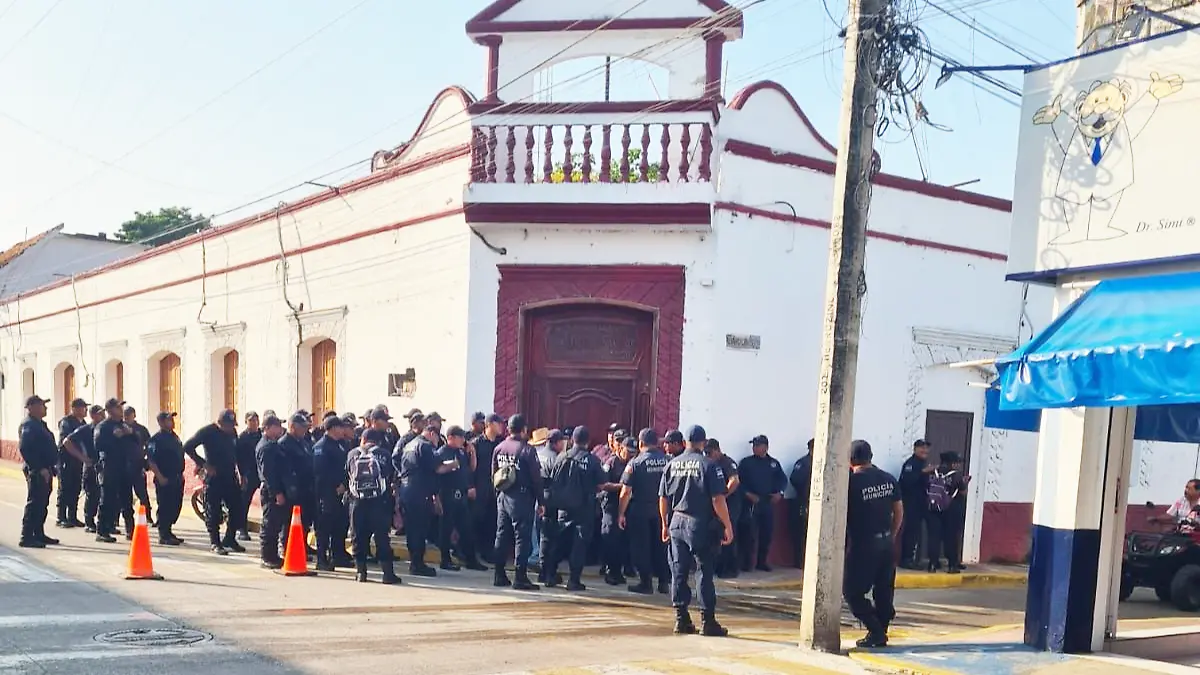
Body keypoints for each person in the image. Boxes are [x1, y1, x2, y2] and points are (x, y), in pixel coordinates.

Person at [658, 425, 733, 636]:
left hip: (677, 521)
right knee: (703, 572)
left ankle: (681, 619)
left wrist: (664, 524)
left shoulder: (671, 464)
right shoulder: (709, 465)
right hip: (700, 524)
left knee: (678, 572)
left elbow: (663, 498)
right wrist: (727, 525)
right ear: (704, 442)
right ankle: (708, 621)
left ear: (685, 443)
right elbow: (717, 499)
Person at [844, 439, 903, 649]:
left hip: (864, 545)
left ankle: (876, 631)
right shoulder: (888, 478)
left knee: (852, 592)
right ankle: (881, 631)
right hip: (887, 543)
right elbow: (899, 510)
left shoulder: (850, 483)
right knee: (884, 590)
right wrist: (891, 535)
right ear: (871, 457)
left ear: (850, 460)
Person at [543, 426, 605, 591]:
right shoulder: (592, 460)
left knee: (559, 542)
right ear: (588, 442)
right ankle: (573, 580)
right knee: (579, 545)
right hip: (584, 508)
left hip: (563, 507)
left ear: (572, 440)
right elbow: (601, 484)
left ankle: (550, 575)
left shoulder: (562, 456)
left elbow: (553, 479)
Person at [397, 418, 456, 577]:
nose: (437, 443)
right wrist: (453, 465)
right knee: (420, 528)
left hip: (406, 490)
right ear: (431, 434)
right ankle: (418, 564)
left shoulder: (409, 445)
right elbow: (438, 468)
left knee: (412, 529)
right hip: (419, 492)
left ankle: (415, 562)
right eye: (437, 438)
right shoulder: (425, 446)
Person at [491, 413, 543, 590]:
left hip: (503, 496)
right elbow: (536, 479)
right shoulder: (527, 450)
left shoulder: (499, 448)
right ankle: (520, 577)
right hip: (521, 498)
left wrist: (497, 496)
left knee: (502, 535)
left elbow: (494, 475)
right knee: (522, 538)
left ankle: (499, 574)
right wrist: (541, 501)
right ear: (524, 430)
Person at [183, 409, 244, 555]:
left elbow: (236, 453)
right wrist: (203, 464)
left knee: (237, 508)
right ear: (220, 423)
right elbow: (188, 446)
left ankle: (230, 538)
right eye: (228, 425)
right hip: (214, 476)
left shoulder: (232, 433)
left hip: (230, 475)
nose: (231, 428)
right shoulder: (207, 432)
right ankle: (215, 542)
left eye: (232, 425)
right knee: (213, 510)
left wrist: (241, 472)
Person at [620, 428, 671, 594]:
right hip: (663, 510)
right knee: (661, 547)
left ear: (640, 443)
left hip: (640, 511)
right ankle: (664, 582)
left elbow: (625, 492)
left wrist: (621, 513)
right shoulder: (668, 461)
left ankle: (645, 583)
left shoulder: (635, 463)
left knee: (641, 547)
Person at [346, 429, 401, 584]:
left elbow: (348, 475)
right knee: (382, 537)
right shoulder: (384, 454)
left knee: (358, 536)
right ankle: (388, 574)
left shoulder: (352, 454)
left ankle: (361, 573)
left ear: (363, 439)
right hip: (379, 501)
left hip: (357, 502)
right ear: (378, 441)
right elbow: (390, 476)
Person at [436, 426, 487, 571]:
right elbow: (437, 473)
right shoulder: (442, 452)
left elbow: (471, 469)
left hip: (461, 495)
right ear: (451, 437)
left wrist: (472, 453)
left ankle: (471, 560)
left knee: (466, 529)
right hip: (447, 495)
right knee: (446, 530)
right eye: (460, 437)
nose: (463, 440)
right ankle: (445, 560)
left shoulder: (461, 452)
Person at [737, 435, 787, 572]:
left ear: (765, 447)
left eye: (757, 445)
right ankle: (747, 564)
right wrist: (747, 494)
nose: (754, 448)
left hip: (767, 503)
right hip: (751, 503)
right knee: (749, 535)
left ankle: (762, 562)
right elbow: (738, 482)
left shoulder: (773, 463)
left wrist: (780, 493)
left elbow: (782, 480)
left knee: (766, 534)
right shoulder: (746, 463)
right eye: (753, 445)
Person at [18, 395, 58, 548]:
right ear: (31, 408)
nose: (45, 408)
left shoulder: (39, 424)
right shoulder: (29, 425)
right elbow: (25, 448)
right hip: (37, 470)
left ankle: (38, 533)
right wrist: (39, 468)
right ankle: (26, 536)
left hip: (45, 469)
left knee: (42, 503)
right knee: (35, 503)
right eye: (42, 405)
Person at [313, 416, 352, 571]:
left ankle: (338, 556)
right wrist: (335, 486)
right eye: (341, 427)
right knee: (324, 528)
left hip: (340, 493)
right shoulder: (321, 447)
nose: (343, 430)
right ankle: (322, 559)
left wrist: (344, 484)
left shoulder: (340, 445)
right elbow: (320, 472)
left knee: (339, 526)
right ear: (333, 428)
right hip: (326, 493)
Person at [94, 398, 133, 543]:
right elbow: (98, 445)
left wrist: (130, 433)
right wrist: (114, 437)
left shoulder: (123, 425)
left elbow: (136, 441)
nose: (121, 410)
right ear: (110, 410)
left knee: (127, 500)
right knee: (107, 500)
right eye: (118, 407)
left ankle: (131, 530)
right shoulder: (103, 426)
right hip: (109, 466)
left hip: (124, 466)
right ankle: (102, 531)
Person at [925, 451, 970, 573]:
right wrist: (965, 483)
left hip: (933, 508)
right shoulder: (956, 475)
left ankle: (932, 564)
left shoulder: (932, 472)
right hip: (951, 509)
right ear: (953, 463)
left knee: (934, 536)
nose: (959, 465)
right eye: (957, 462)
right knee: (951, 537)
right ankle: (952, 565)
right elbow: (963, 492)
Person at [256, 414, 291, 568]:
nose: (280, 429)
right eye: (277, 426)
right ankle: (267, 557)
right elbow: (268, 473)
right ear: (268, 428)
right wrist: (276, 493)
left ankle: (273, 555)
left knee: (275, 524)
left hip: (276, 488)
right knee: (269, 524)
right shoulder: (266, 447)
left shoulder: (273, 444)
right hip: (271, 491)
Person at [704, 439, 741, 579]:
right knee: (716, 537)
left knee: (728, 537)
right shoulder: (710, 463)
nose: (707, 455)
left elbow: (735, 481)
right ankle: (719, 567)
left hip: (730, 505)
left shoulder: (727, 462)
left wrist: (723, 495)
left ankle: (730, 569)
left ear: (717, 450)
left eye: (709, 452)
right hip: (717, 506)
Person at [279, 413, 316, 555]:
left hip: (306, 488)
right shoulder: (284, 444)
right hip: (293, 489)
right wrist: (289, 488)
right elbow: (285, 469)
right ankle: (286, 547)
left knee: (305, 520)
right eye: (302, 427)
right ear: (293, 426)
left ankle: (302, 545)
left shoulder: (303, 442)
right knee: (290, 521)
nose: (305, 430)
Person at [146, 412, 186, 545]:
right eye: (169, 420)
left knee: (175, 505)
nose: (172, 422)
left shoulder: (174, 437)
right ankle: (163, 534)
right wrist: (160, 476)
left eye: (172, 419)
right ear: (161, 422)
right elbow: (151, 460)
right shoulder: (156, 439)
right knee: (165, 506)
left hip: (177, 477)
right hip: (164, 477)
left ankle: (168, 531)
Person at [64, 405, 105, 533]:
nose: (103, 416)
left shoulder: (105, 428)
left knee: (103, 496)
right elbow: (67, 442)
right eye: (100, 414)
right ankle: (89, 522)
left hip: (104, 466)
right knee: (92, 494)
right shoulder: (86, 429)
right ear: (93, 416)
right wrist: (82, 457)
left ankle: (105, 523)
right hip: (91, 466)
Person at [599, 437, 633, 585]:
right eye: (628, 451)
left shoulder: (631, 464)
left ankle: (617, 571)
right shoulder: (611, 463)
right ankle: (609, 571)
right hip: (611, 506)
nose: (631, 455)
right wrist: (623, 486)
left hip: (625, 507)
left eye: (634, 452)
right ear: (620, 448)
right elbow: (602, 485)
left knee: (622, 542)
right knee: (610, 540)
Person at [471, 413, 503, 564]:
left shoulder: (500, 443)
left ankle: (488, 551)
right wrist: (470, 486)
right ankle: (473, 551)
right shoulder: (476, 443)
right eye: (498, 423)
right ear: (489, 425)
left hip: (495, 487)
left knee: (492, 520)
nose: (501, 426)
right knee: (477, 519)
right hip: (479, 486)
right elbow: (469, 468)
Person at [898, 439, 935, 569]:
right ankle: (907, 559)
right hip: (911, 503)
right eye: (921, 447)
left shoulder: (925, 463)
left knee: (923, 531)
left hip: (923, 503)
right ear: (915, 449)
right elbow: (907, 482)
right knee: (911, 531)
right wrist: (922, 472)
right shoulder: (910, 464)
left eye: (926, 448)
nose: (924, 450)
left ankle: (926, 559)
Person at [529, 427, 560, 575]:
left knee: (534, 529)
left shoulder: (536, 454)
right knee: (545, 533)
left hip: (532, 494)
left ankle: (534, 556)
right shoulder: (554, 458)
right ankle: (538, 559)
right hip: (547, 496)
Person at [54, 398, 89, 529]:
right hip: (66, 459)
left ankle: (72, 517)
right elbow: (66, 443)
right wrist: (80, 456)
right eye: (83, 407)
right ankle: (61, 517)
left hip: (78, 461)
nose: (85, 410)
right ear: (74, 409)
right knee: (65, 488)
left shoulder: (83, 423)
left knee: (76, 488)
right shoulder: (66, 422)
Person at [123, 406, 155, 527]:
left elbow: (149, 444)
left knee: (142, 493)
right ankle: (119, 519)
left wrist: (144, 456)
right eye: (125, 415)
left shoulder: (141, 429)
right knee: (123, 494)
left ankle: (147, 516)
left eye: (129, 415)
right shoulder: (120, 428)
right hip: (124, 465)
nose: (127, 417)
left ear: (134, 415)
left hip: (138, 464)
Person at [235, 412, 263, 542]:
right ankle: (242, 529)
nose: (254, 423)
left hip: (261, 472)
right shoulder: (242, 438)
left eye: (255, 420)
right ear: (246, 422)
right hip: (248, 473)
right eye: (251, 420)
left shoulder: (262, 435)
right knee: (244, 502)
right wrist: (241, 475)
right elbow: (238, 458)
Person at [788, 438, 814, 569]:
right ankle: (800, 561)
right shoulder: (804, 463)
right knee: (802, 532)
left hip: (821, 503)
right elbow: (795, 479)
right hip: (804, 502)